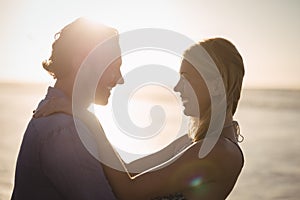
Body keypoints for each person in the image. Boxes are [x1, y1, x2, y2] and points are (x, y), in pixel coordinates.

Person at [33, 37, 245, 199]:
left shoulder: (219, 152)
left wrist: (89, 121)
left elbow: (129, 191)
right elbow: (128, 170)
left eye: (187, 79)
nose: (177, 88)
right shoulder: (191, 144)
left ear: (216, 86)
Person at [11, 17, 124, 200]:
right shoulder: (65, 131)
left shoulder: (59, 119)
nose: (120, 79)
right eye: (113, 66)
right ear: (81, 62)